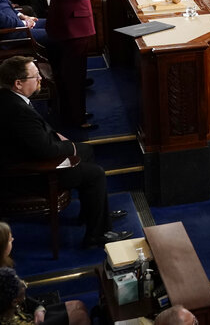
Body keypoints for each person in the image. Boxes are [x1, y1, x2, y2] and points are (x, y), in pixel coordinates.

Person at [0, 57, 132, 249]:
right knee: (94, 174)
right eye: (35, 76)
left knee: (86, 150)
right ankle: (97, 235)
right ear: (18, 83)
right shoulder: (18, 111)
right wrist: (70, 146)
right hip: (30, 175)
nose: (40, 79)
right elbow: (46, 151)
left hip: (27, 158)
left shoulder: (8, 98)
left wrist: (56, 136)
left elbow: (34, 134)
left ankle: (92, 214)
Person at [43, 0, 120, 130]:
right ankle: (75, 120)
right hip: (72, 26)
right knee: (73, 75)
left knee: (73, 74)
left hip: (70, 23)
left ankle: (74, 114)